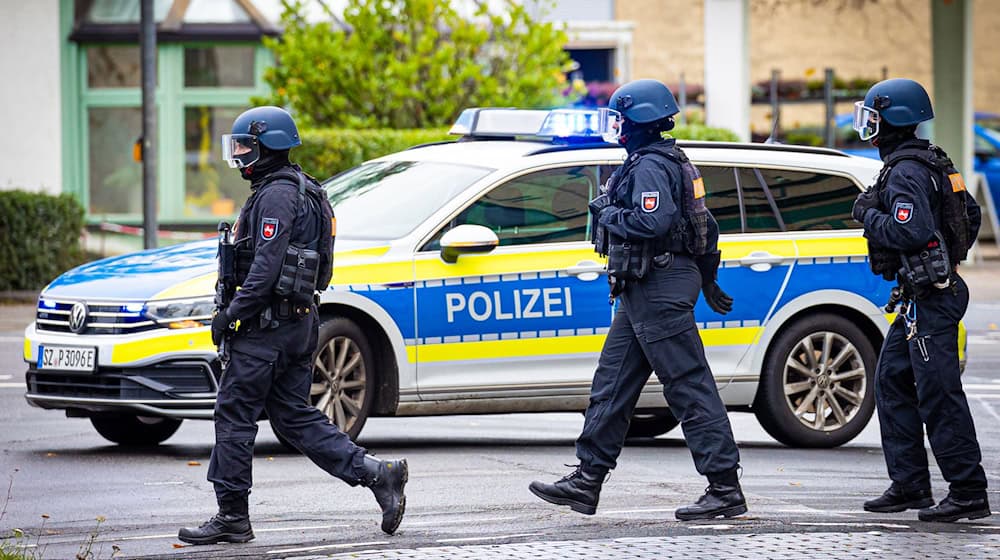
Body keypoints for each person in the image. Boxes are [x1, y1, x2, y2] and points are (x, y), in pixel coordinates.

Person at [178, 106, 408, 545]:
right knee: (293, 417)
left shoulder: (277, 196)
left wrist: (229, 316)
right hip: (299, 323)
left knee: (234, 414)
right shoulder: (310, 192)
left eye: (246, 145)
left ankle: (231, 516)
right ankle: (379, 475)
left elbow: (264, 270)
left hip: (266, 330)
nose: (240, 154)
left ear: (269, 145)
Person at [529, 79, 746, 521]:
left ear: (636, 120)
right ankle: (587, 480)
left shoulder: (649, 166)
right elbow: (706, 228)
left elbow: (655, 219)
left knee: (688, 386)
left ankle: (724, 487)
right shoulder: (670, 161)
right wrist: (707, 280)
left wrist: (609, 213)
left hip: (658, 287)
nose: (617, 126)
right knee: (612, 383)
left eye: (619, 117)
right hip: (647, 289)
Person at [851, 78, 989, 523]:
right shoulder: (931, 161)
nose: (868, 127)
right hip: (924, 294)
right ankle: (910, 484)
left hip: (931, 298)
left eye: (873, 117)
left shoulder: (907, 171)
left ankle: (968, 491)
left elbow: (910, 231)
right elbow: (969, 214)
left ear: (892, 119)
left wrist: (867, 213)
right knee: (891, 380)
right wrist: (948, 259)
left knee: (939, 396)